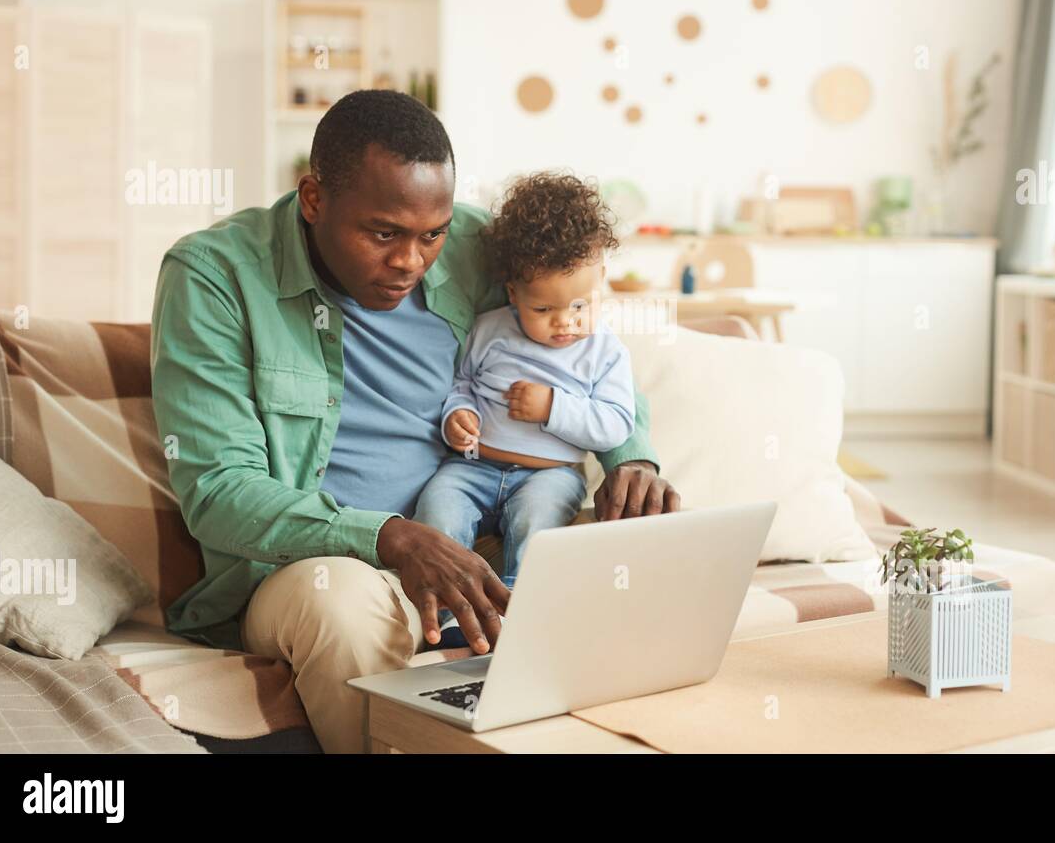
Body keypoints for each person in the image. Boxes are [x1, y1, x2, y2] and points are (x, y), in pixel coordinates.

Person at [150, 90, 681, 752]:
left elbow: (578, 347)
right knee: (341, 605)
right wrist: (392, 539)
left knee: (640, 559)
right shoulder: (215, 276)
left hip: (475, 530)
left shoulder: (472, 244)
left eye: (431, 234)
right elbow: (220, 495)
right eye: (383, 234)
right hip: (312, 566)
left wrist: (633, 453)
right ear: (314, 200)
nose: (411, 260)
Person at [415, 173, 635, 644]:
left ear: (602, 282)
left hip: (548, 474)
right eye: (543, 310)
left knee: (537, 523)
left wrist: (553, 406)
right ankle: (453, 610)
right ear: (513, 294)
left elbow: (615, 425)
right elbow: (464, 383)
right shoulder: (490, 329)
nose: (565, 322)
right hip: (474, 466)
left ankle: (517, 614)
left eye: (580, 305)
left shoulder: (605, 352)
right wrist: (459, 416)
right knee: (438, 507)